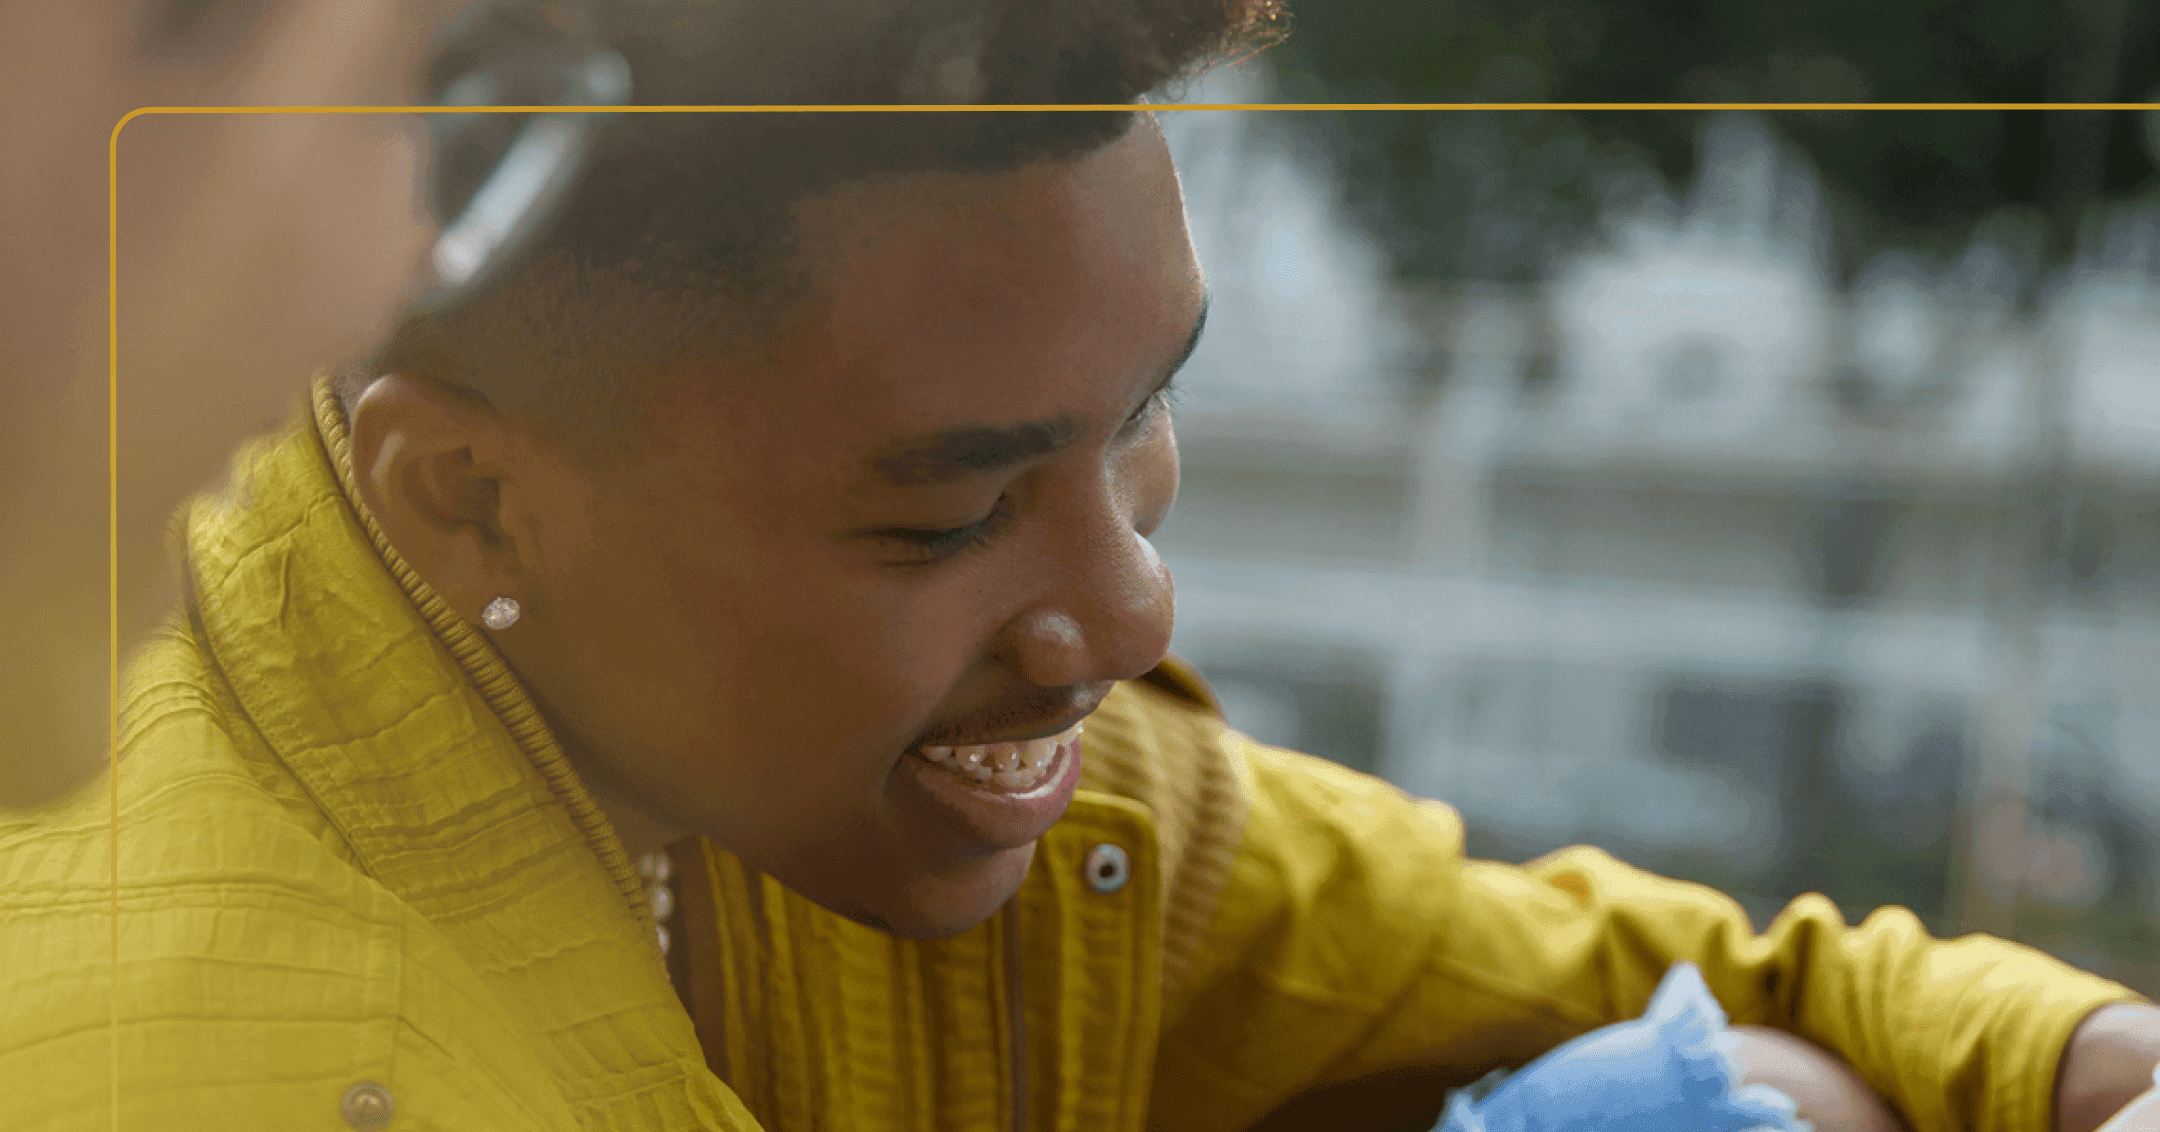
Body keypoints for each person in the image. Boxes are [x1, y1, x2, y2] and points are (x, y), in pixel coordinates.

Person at [4, 1, 2159, 1129]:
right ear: (468, 503)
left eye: (1140, 424)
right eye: (941, 512)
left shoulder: (769, 706)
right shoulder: (256, 1064)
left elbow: (1638, 967)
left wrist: (2084, 1070)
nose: (1130, 612)